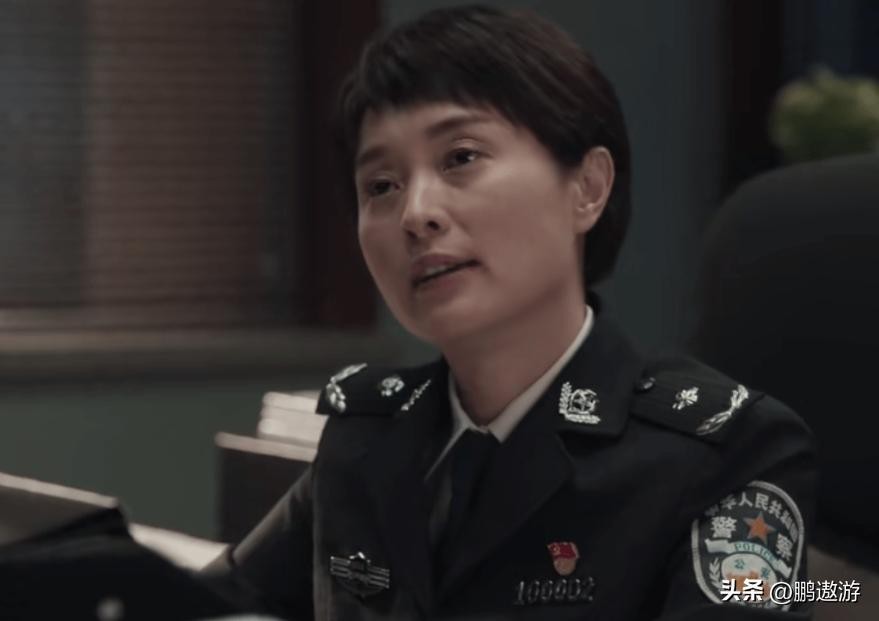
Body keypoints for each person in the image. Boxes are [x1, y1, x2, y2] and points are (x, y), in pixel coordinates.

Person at [203, 5, 816, 620]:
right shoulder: (368, 438)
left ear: (587, 188)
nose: (416, 214)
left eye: (461, 157)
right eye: (381, 186)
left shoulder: (727, 454)